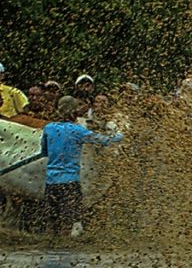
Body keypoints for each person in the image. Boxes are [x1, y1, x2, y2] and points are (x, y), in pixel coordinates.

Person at [31, 96, 124, 235]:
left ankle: (51, 248)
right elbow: (104, 141)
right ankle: (68, 251)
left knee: (52, 221)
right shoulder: (78, 131)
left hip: (51, 183)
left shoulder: (48, 128)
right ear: (75, 113)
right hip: (70, 182)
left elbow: (44, 151)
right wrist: (121, 135)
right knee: (71, 221)